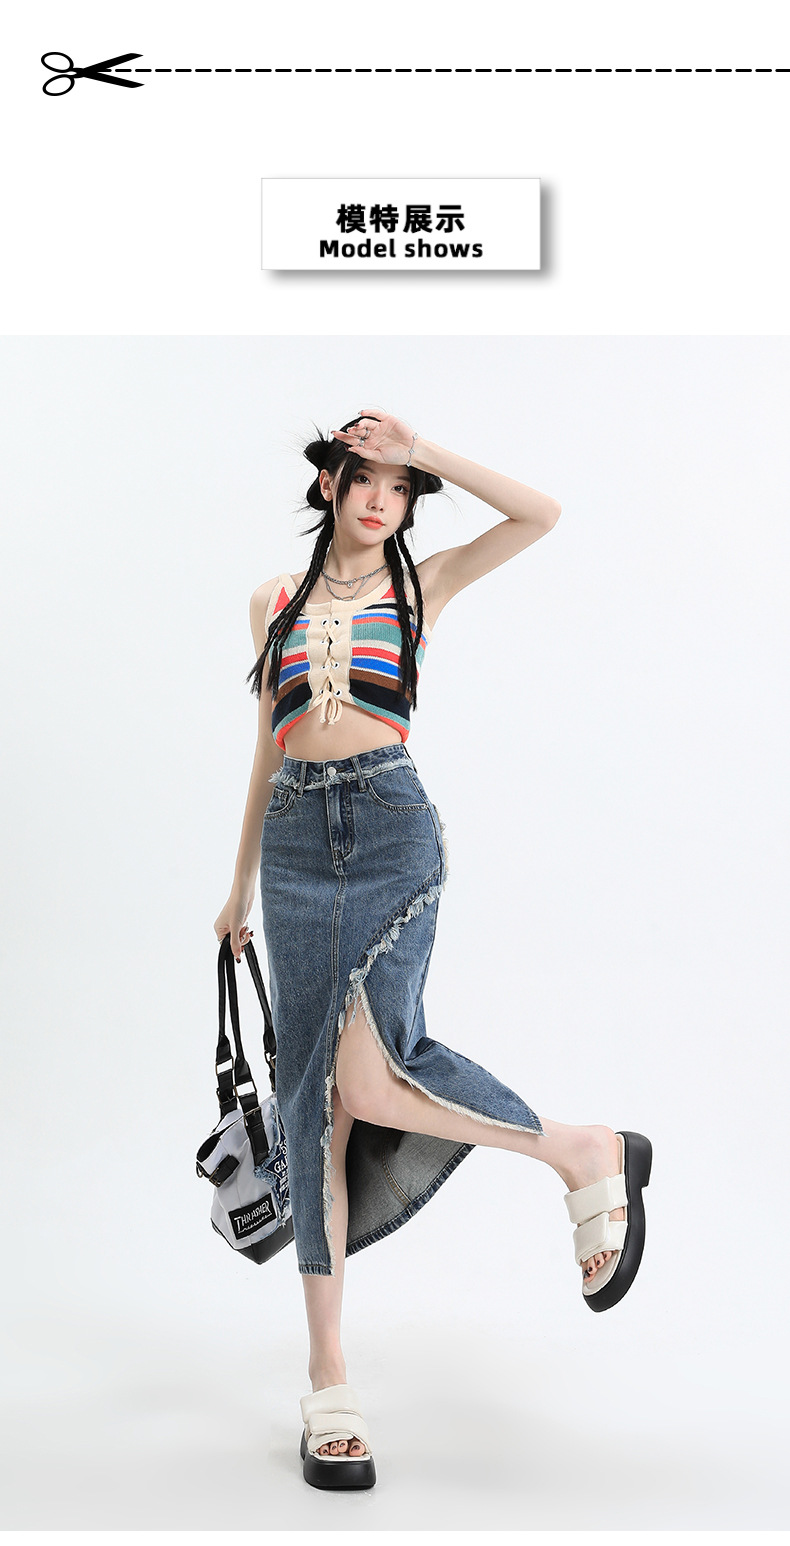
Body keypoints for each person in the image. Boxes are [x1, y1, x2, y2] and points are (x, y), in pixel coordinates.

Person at [214, 409, 652, 1491]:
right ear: (328, 485)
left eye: (399, 486)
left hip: (391, 828)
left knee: (375, 1072)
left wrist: (430, 450)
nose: (382, 499)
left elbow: (540, 514)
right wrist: (237, 889)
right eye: (364, 478)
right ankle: (327, 1376)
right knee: (314, 1104)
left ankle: (579, 1149)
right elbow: (267, 751)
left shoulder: (423, 586)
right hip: (295, 848)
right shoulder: (273, 601)